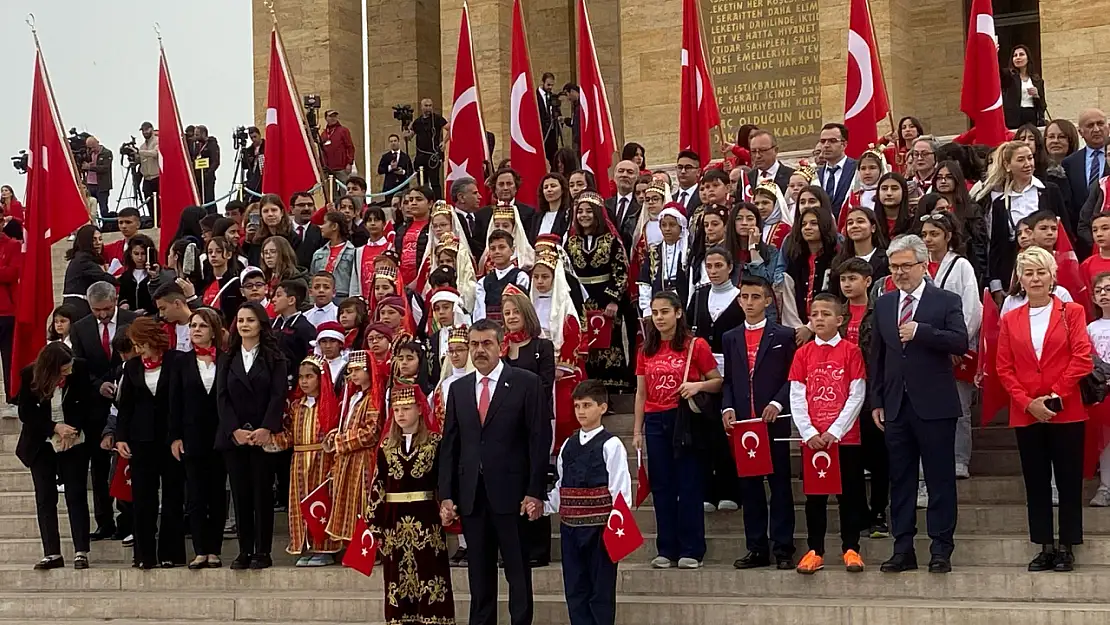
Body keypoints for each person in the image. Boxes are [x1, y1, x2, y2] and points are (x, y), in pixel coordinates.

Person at [438, 319, 547, 625]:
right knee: (480, 575)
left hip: (513, 496)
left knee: (517, 572)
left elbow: (538, 441)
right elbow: (450, 445)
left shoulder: (526, 383)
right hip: (472, 495)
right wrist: (446, 495)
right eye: (474, 344)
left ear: (501, 346)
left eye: (487, 344)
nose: (479, 350)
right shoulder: (458, 389)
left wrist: (535, 491)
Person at [871, 235, 968, 574]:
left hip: (936, 405)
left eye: (905, 266)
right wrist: (877, 400)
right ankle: (902, 548)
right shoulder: (884, 304)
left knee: (940, 480)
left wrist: (922, 331)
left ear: (923, 265)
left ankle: (941, 549)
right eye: (894, 267)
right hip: (896, 406)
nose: (899, 273)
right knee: (901, 480)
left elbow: (960, 341)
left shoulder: (945, 300)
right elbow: (878, 357)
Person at [996, 247, 1091, 572]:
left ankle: (1067, 545)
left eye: (1041, 272)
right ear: (1020, 279)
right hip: (1026, 411)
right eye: (1029, 273)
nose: (1035, 278)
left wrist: (1055, 395)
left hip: (1066, 409)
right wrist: (1028, 403)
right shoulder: (1010, 318)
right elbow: (1003, 368)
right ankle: (1044, 545)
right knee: (1035, 482)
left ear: (1052, 276)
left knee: (1067, 481)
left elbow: (1082, 357)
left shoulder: (1072, 311)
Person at [633, 291, 721, 569]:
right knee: (662, 486)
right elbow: (640, 393)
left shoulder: (696, 346)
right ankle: (666, 547)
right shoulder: (645, 350)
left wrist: (697, 386)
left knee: (689, 484)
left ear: (678, 313)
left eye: (664, 312)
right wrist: (637, 430)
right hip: (655, 420)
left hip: (684, 419)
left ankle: (692, 548)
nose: (659, 318)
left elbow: (717, 381)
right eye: (655, 313)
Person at [789, 293, 867, 574]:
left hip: (845, 438)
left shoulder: (851, 351)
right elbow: (797, 396)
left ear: (839, 319)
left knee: (850, 494)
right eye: (814, 314)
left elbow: (856, 394)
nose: (819, 319)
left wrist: (836, 431)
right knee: (815, 497)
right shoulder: (802, 354)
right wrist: (809, 432)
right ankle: (815, 550)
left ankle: (851, 548)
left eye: (825, 314)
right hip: (813, 441)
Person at [364, 383, 455, 623]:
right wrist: (374, 524)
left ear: (420, 409)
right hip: (394, 522)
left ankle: (434, 619)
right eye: (396, 409)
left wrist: (448, 506)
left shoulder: (435, 442)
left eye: (406, 408)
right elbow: (378, 486)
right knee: (397, 577)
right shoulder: (386, 446)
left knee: (429, 571)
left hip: (426, 520)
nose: (401, 414)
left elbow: (444, 480)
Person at [720, 276, 795, 569]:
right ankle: (756, 547)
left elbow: (793, 377)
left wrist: (778, 402)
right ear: (739, 301)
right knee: (750, 488)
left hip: (773, 423)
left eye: (755, 297)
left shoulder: (784, 335)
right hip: (744, 424)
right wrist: (727, 406)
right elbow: (729, 380)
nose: (749, 303)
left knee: (779, 486)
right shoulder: (731, 337)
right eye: (745, 297)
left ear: (767, 301)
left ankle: (783, 547)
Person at [543, 380, 631, 625]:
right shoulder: (567, 446)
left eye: (587, 405)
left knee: (600, 593)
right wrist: (544, 506)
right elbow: (561, 486)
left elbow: (621, 491)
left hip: (600, 531)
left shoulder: (611, 445)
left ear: (602, 408)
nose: (581, 411)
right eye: (577, 406)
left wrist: (616, 530)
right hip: (570, 530)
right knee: (575, 590)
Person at [216, 302, 289, 570]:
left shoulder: (274, 357)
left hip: (262, 436)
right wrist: (234, 429)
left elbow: (278, 395)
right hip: (235, 438)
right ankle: (244, 550)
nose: (245, 325)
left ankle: (263, 550)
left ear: (260, 324)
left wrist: (266, 428)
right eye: (241, 320)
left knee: (262, 494)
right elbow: (221, 398)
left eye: (250, 320)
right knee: (241, 494)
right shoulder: (227, 357)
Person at [115, 317, 186, 569]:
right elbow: (125, 406)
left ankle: (171, 552)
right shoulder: (131, 367)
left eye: (139, 343)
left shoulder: (177, 361)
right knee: (143, 498)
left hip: (169, 439)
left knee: (172, 496)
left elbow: (181, 401)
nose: (137, 349)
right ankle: (143, 555)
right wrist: (120, 437)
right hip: (140, 439)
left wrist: (179, 434)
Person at [69, 281, 137, 541]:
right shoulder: (80, 328)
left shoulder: (132, 320)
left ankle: (129, 519)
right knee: (98, 468)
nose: (102, 314)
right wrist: (99, 385)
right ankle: (104, 521)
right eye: (97, 310)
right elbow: (78, 365)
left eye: (107, 308)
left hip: (130, 404)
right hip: (96, 407)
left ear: (115, 300)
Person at [16, 342, 93, 570]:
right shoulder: (30, 374)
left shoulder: (79, 369)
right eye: (63, 369)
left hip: (73, 440)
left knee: (76, 494)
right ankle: (51, 553)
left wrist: (72, 429)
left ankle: (81, 551)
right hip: (41, 443)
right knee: (45, 497)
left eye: (69, 368)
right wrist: (53, 428)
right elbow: (26, 413)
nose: (68, 372)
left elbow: (86, 403)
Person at [919, 212, 982, 482]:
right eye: (924, 235)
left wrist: (957, 344)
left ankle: (959, 458)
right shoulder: (918, 266)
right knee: (925, 408)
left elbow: (972, 307)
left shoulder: (961, 265)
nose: (928, 239)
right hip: (925, 347)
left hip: (956, 349)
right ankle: (929, 460)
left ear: (948, 236)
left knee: (959, 407)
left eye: (934, 234)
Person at [168, 309, 228, 570]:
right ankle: (200, 550)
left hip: (220, 436)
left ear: (213, 330)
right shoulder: (180, 362)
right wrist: (175, 436)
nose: (196, 330)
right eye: (193, 326)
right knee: (194, 495)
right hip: (191, 436)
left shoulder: (226, 360)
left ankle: (214, 549)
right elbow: (174, 402)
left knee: (217, 494)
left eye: (202, 326)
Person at [501, 287, 556, 568]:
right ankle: (513, 546)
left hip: (534, 422)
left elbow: (545, 385)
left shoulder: (541, 347)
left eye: (515, 312)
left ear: (527, 314)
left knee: (534, 478)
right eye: (506, 312)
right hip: (505, 427)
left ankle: (538, 548)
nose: (511, 317)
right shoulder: (500, 348)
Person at [269, 355, 343, 565]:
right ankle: (306, 546)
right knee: (300, 504)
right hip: (300, 461)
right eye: (301, 377)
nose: (304, 381)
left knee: (321, 503)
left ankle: (324, 549)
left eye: (309, 376)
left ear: (320, 378)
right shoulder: (296, 406)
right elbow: (290, 436)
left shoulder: (331, 405)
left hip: (322, 460)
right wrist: (267, 441)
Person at [687, 247, 743, 513]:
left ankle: (731, 488)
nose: (713, 271)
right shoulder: (698, 296)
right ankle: (707, 489)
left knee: (727, 432)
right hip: (702, 370)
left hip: (732, 368)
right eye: (709, 266)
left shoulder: (741, 297)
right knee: (704, 431)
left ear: (730, 267)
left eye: (719, 265)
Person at [984, 141, 1070, 303]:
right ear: (1007, 165)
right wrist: (995, 285)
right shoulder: (1000, 203)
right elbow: (997, 246)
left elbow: (1066, 232)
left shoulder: (1050, 191)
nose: (1027, 164)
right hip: (1015, 273)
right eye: (1021, 159)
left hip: (1052, 268)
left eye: (1030, 158)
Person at [565, 192, 633, 391]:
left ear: (597, 214)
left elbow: (621, 271)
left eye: (589, 211)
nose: (584, 215)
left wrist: (614, 300)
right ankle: (589, 389)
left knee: (608, 342)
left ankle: (610, 389)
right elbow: (567, 273)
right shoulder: (571, 242)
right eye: (580, 212)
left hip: (606, 299)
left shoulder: (610, 240)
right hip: (581, 300)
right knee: (586, 343)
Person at [323, 350, 386, 547]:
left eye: (359, 369)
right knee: (348, 502)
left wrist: (341, 441)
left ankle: (368, 547)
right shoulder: (352, 397)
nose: (353, 374)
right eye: (350, 370)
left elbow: (372, 432)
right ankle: (353, 546)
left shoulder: (373, 398)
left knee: (363, 501)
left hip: (363, 459)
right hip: (347, 459)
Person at [777, 202, 839, 341]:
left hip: (829, 331)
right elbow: (788, 296)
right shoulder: (795, 259)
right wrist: (799, 329)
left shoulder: (836, 259)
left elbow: (835, 295)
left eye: (813, 223)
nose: (807, 228)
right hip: (796, 331)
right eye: (804, 224)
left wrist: (810, 328)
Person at [637, 202, 689, 318]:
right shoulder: (653, 251)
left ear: (681, 226)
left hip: (683, 303)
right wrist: (646, 309)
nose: (667, 229)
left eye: (672, 225)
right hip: (659, 302)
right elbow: (645, 282)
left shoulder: (688, 251)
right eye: (663, 225)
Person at [473, 230, 531, 322]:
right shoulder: (483, 282)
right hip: (490, 329)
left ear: (512, 250)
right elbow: (480, 312)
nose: (497, 252)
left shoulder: (520, 277)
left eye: (502, 247)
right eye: (493, 248)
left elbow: (521, 306)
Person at [62, 225, 118, 320]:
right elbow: (105, 278)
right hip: (78, 307)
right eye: (94, 240)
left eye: (100, 239)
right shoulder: (83, 259)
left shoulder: (81, 258)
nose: (98, 243)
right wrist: (123, 277)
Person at [1063, 109, 1107, 215]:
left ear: (1108, 127)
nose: (1096, 129)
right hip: (1081, 226)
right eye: (1090, 125)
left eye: (1100, 124)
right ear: (1080, 132)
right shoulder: (1070, 163)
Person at [406, 98, 449, 199]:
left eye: (430, 105)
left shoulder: (437, 119)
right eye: (426, 105)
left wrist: (444, 141)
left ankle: (438, 201)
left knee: (435, 182)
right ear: (421, 107)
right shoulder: (417, 122)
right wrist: (406, 130)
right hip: (421, 156)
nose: (428, 108)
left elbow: (450, 128)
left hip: (433, 155)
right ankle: (423, 200)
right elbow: (409, 136)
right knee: (422, 182)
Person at [310, 211, 356, 301]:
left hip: (342, 297)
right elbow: (312, 278)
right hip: (321, 298)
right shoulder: (318, 253)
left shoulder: (353, 252)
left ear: (334, 226)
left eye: (324, 223)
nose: (321, 227)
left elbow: (354, 281)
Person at [0, 219, 22, 402]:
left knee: (9, 358)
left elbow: (12, 273)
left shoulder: (13, 245)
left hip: (6, 311)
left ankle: (12, 397)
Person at [816, 123, 857, 215]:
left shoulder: (857, 169)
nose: (826, 145)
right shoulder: (815, 174)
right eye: (823, 141)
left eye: (832, 141)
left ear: (844, 144)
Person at [1002, 45, 1046, 129]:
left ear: (1028, 58)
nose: (1018, 57)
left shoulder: (1037, 80)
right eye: (1015, 55)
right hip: (1013, 119)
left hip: (1031, 117)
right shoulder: (1009, 76)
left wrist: (1036, 96)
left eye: (1021, 54)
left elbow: (1043, 106)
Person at [116, 235, 159, 316]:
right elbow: (123, 296)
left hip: (151, 317)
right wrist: (124, 304)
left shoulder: (156, 273)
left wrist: (147, 309)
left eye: (143, 254)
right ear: (130, 254)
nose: (139, 258)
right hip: (130, 317)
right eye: (136, 254)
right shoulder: (126, 276)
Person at [745, 129, 795, 195]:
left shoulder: (791, 176)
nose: (757, 156)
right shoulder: (746, 179)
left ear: (776, 150)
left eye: (762, 150)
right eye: (753, 151)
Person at [606, 160, 641, 250]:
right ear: (614, 176)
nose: (624, 175)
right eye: (621, 171)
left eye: (630, 172)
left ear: (637, 177)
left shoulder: (641, 205)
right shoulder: (605, 205)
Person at [531, 173, 573, 242]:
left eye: (553, 186)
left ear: (562, 190)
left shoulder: (568, 214)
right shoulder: (536, 217)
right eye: (546, 187)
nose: (549, 190)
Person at [290, 192, 325, 270]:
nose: (306, 208)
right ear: (292, 209)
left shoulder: (321, 233)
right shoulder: (283, 231)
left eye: (310, 205)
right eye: (301, 205)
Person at [80, 136, 113, 218]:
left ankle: (106, 225)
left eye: (93, 147)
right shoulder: (89, 153)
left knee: (103, 208)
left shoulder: (107, 153)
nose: (92, 149)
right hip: (90, 184)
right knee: (90, 206)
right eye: (90, 148)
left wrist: (90, 167)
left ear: (97, 142)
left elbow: (105, 168)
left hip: (102, 185)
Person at [320, 109, 355, 185]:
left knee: (345, 188)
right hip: (328, 168)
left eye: (334, 116)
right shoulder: (324, 134)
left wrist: (349, 163)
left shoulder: (343, 131)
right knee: (331, 192)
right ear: (326, 118)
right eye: (330, 116)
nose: (333, 118)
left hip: (341, 167)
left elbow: (350, 147)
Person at [377, 133, 412, 200]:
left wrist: (403, 172)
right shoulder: (385, 156)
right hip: (390, 187)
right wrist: (390, 167)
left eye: (395, 141)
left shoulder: (405, 156)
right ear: (389, 144)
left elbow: (411, 170)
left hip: (403, 186)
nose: (393, 143)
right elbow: (380, 170)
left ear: (398, 142)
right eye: (391, 141)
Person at [190, 125, 220, 204]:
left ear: (203, 134)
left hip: (208, 178)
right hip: (197, 177)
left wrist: (208, 173)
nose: (195, 137)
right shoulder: (196, 145)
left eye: (197, 135)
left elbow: (216, 161)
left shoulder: (212, 144)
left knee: (209, 199)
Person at [136, 121, 160, 206]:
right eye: (143, 130)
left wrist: (139, 152)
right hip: (146, 179)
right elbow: (140, 161)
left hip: (157, 177)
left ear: (152, 129)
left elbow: (155, 153)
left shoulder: (157, 141)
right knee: (149, 204)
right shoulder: (142, 146)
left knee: (159, 204)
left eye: (147, 129)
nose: (144, 132)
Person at [241, 126, 264, 195]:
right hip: (252, 177)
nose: (254, 139)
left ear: (259, 135)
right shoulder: (249, 150)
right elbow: (244, 166)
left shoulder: (267, 146)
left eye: (255, 137)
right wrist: (247, 160)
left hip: (263, 175)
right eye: (251, 138)